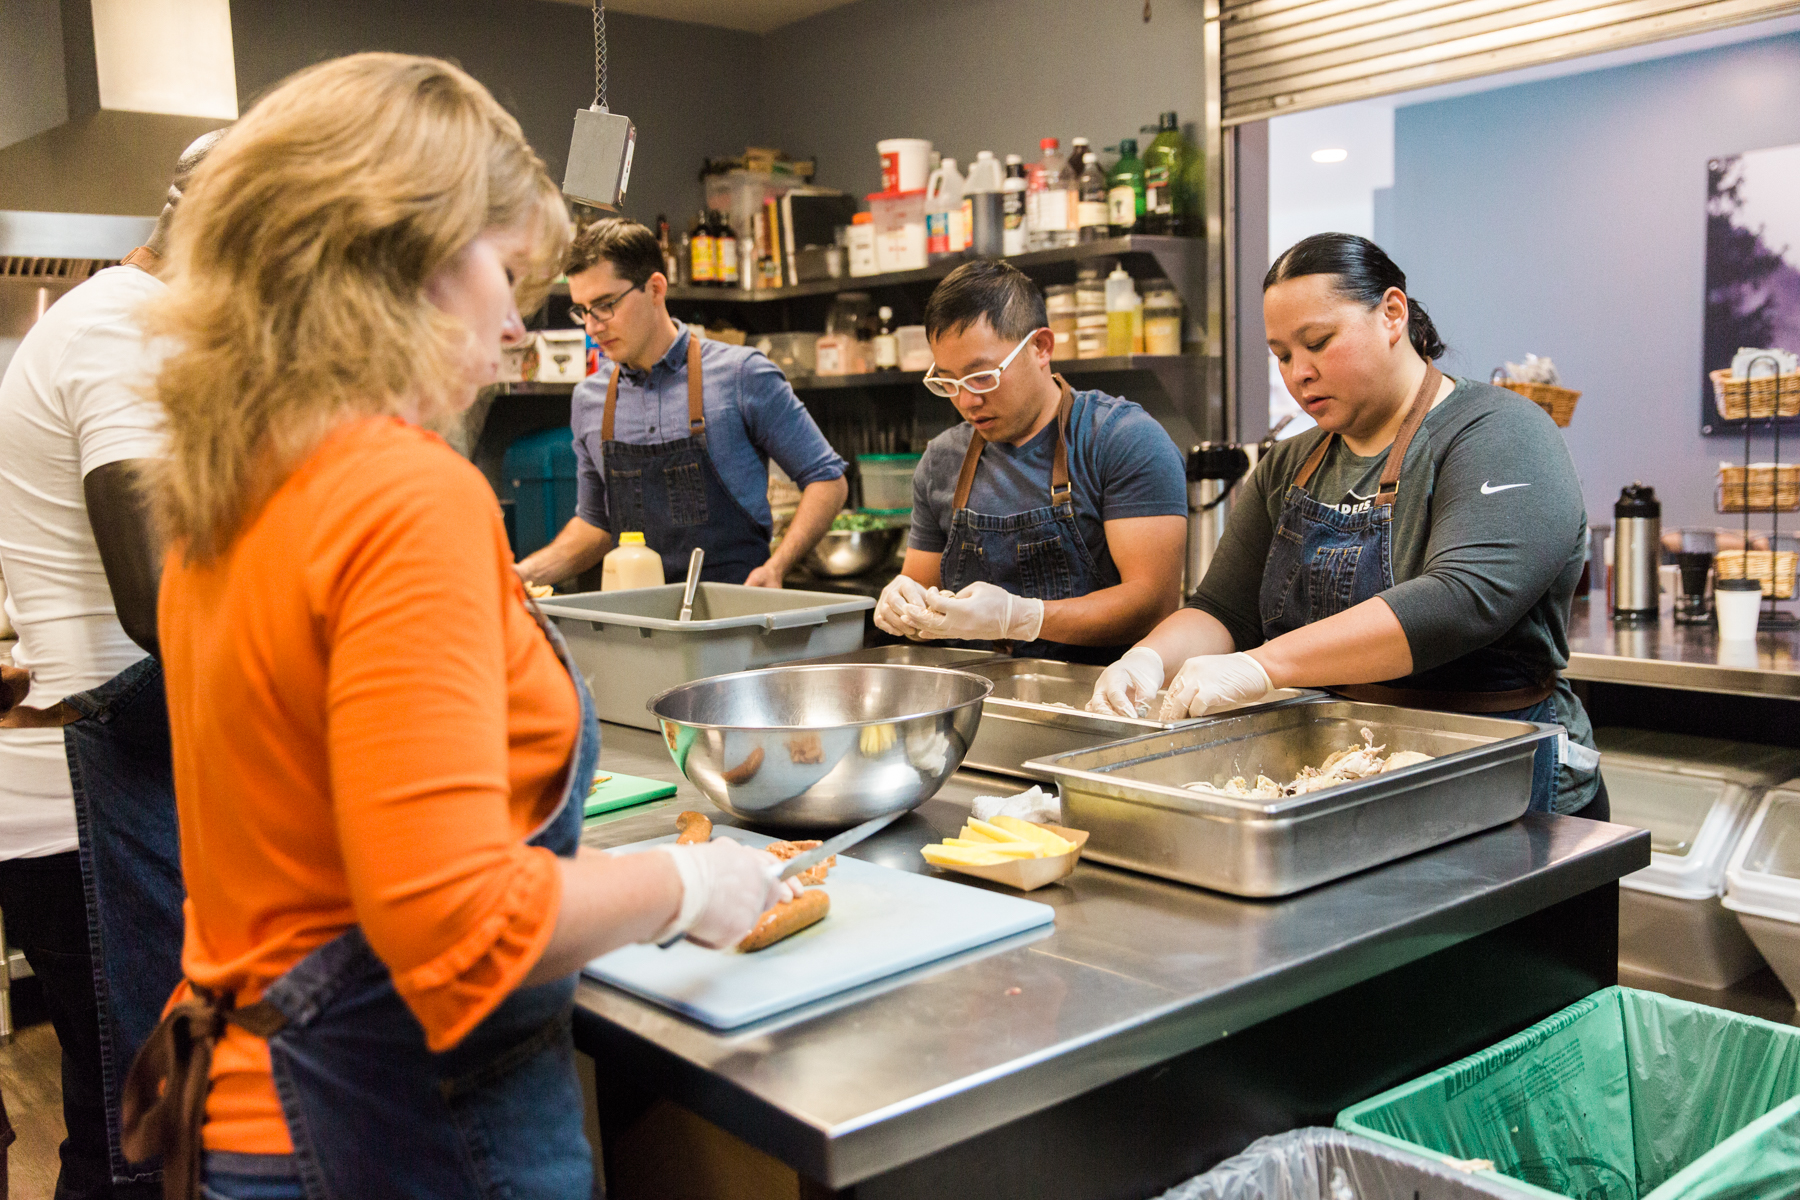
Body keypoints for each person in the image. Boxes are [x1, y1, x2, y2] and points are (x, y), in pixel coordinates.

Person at [119, 54, 799, 1200]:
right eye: (503, 266)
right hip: (398, 1127)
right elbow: (457, 923)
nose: (520, 319)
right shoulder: (401, 491)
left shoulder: (223, 489)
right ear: (404, 259)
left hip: (253, 1112)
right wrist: (691, 887)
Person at [1090, 233, 1606, 818]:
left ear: (1392, 314)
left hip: (1497, 773)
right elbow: (1222, 612)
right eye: (1282, 355)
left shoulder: (1501, 433)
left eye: (1318, 342)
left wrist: (1264, 665)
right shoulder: (1291, 464)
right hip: (1343, 770)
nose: (1298, 373)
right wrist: (1150, 659)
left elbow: (1462, 600)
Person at [0, 130, 223, 1200]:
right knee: (150, 1145)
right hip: (98, 805)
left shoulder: (136, 326)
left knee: (123, 1131)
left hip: (120, 785)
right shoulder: (127, 334)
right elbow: (159, 603)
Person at [873, 260, 1188, 664]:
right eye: (948, 382)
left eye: (982, 376)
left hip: (1099, 697)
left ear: (1040, 347)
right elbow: (920, 597)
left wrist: (1020, 618)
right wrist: (904, 608)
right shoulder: (942, 460)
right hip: (982, 696)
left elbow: (1152, 605)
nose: (967, 401)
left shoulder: (1122, 440)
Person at [514, 219, 848, 589]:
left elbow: (827, 480)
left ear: (656, 288)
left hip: (733, 616)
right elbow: (596, 526)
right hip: (638, 626)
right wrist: (521, 576)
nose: (592, 327)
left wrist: (778, 565)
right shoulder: (590, 400)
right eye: (582, 310)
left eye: (605, 305)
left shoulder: (741, 374)